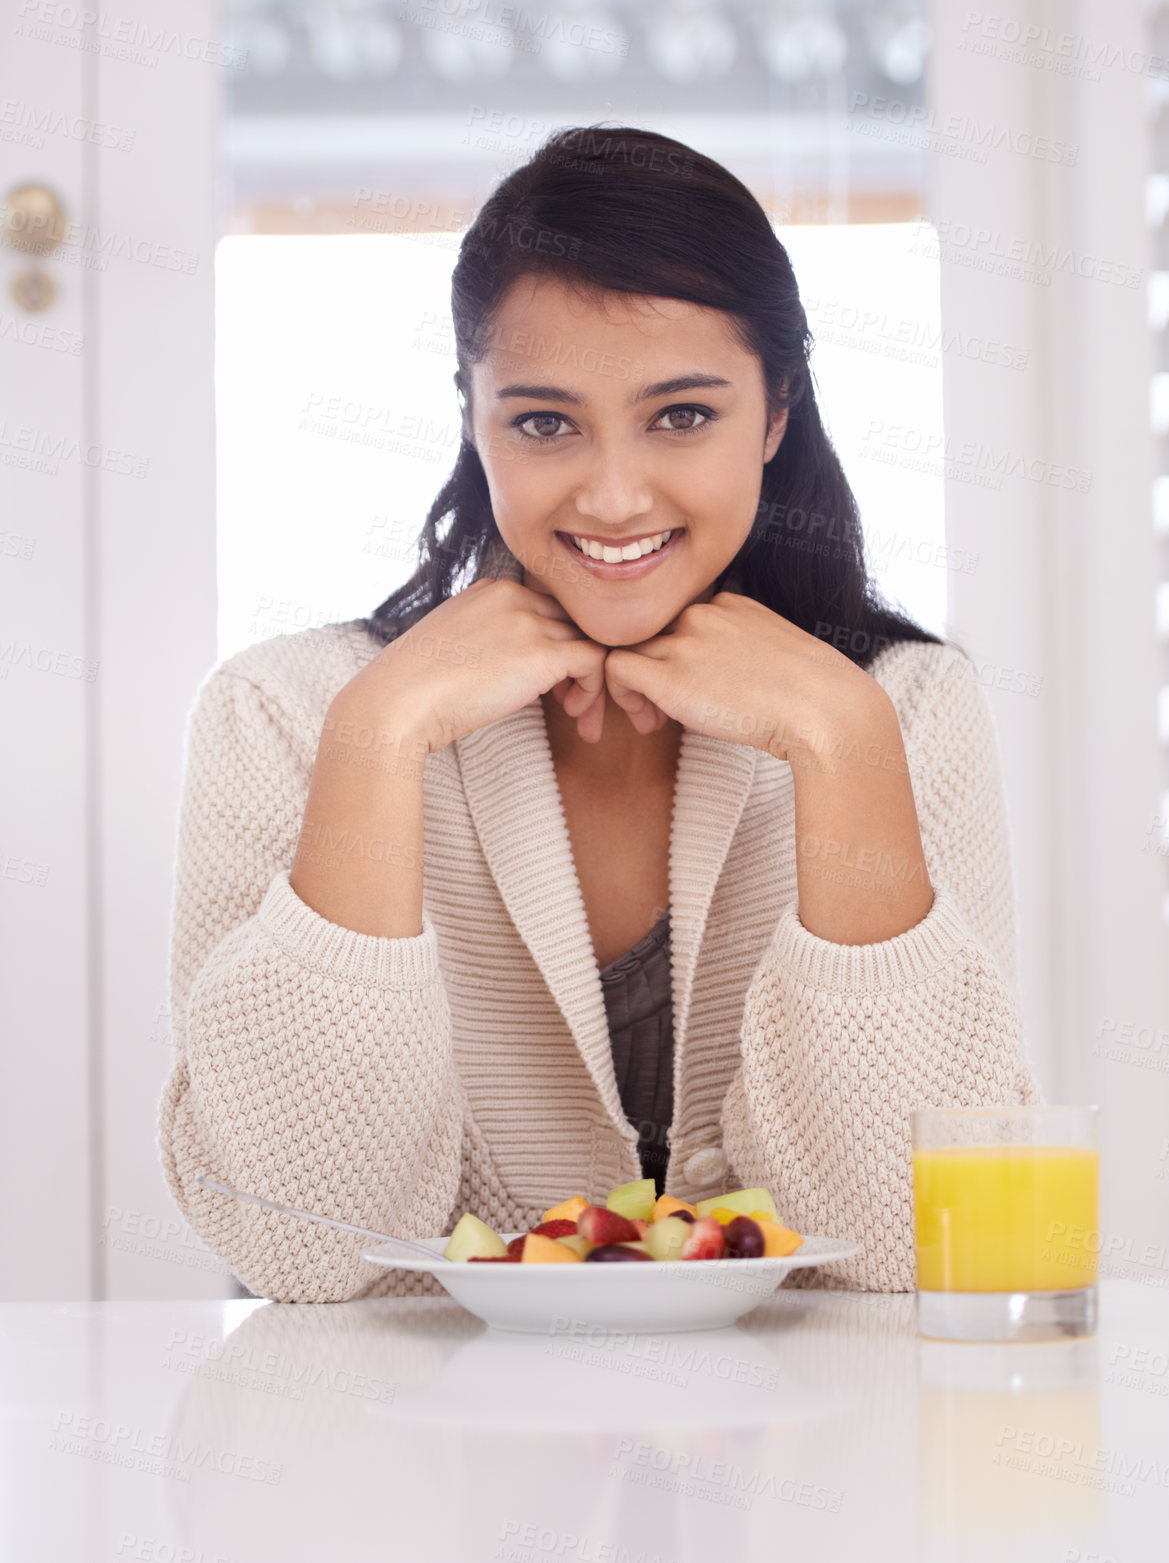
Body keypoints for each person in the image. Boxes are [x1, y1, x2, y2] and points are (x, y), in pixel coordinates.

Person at [158, 124, 1040, 1304]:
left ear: (775, 414)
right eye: (543, 423)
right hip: (408, 1462)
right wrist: (377, 739)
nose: (613, 494)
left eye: (681, 416)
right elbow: (302, 1252)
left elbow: (912, 1247)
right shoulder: (285, 713)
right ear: (473, 419)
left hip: (817, 1458)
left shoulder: (903, 711)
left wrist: (844, 746)